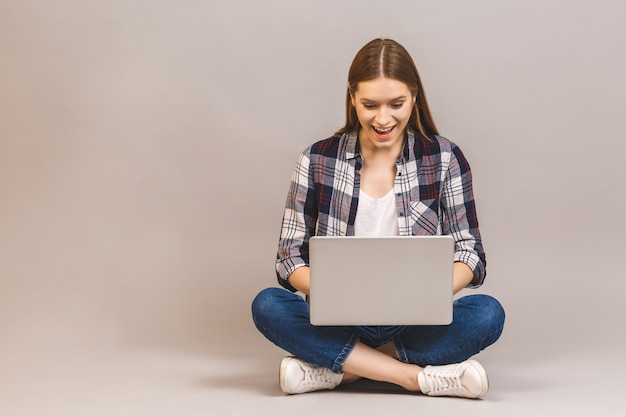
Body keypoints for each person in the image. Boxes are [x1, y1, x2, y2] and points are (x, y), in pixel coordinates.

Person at [251, 38, 505, 398]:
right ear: (352, 97)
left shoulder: (445, 158)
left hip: (414, 317)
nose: (383, 119)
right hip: (340, 316)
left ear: (414, 97)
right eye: (369, 105)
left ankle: (339, 370)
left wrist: (424, 294)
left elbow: (470, 253)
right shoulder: (316, 159)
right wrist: (339, 293)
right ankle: (413, 377)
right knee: (267, 305)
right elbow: (288, 258)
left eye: (396, 104)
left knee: (487, 314)